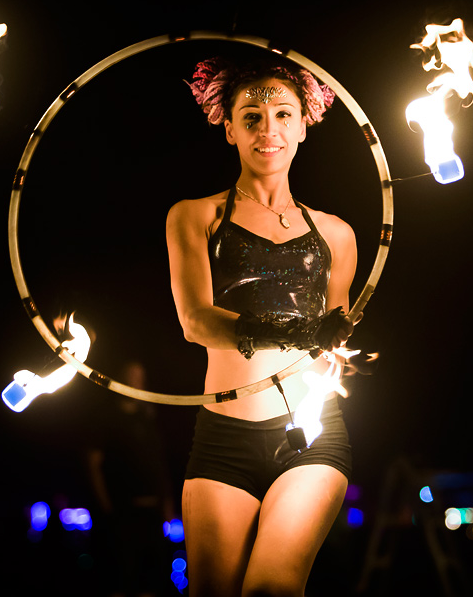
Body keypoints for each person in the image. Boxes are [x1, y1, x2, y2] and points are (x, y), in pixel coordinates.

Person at [165, 56, 359, 597]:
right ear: (229, 129)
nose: (267, 130)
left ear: (303, 125)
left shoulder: (336, 234)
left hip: (311, 440)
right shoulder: (195, 216)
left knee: (271, 589)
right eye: (251, 117)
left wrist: (336, 345)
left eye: (282, 115)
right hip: (223, 442)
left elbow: (335, 339)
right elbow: (197, 322)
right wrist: (300, 333)